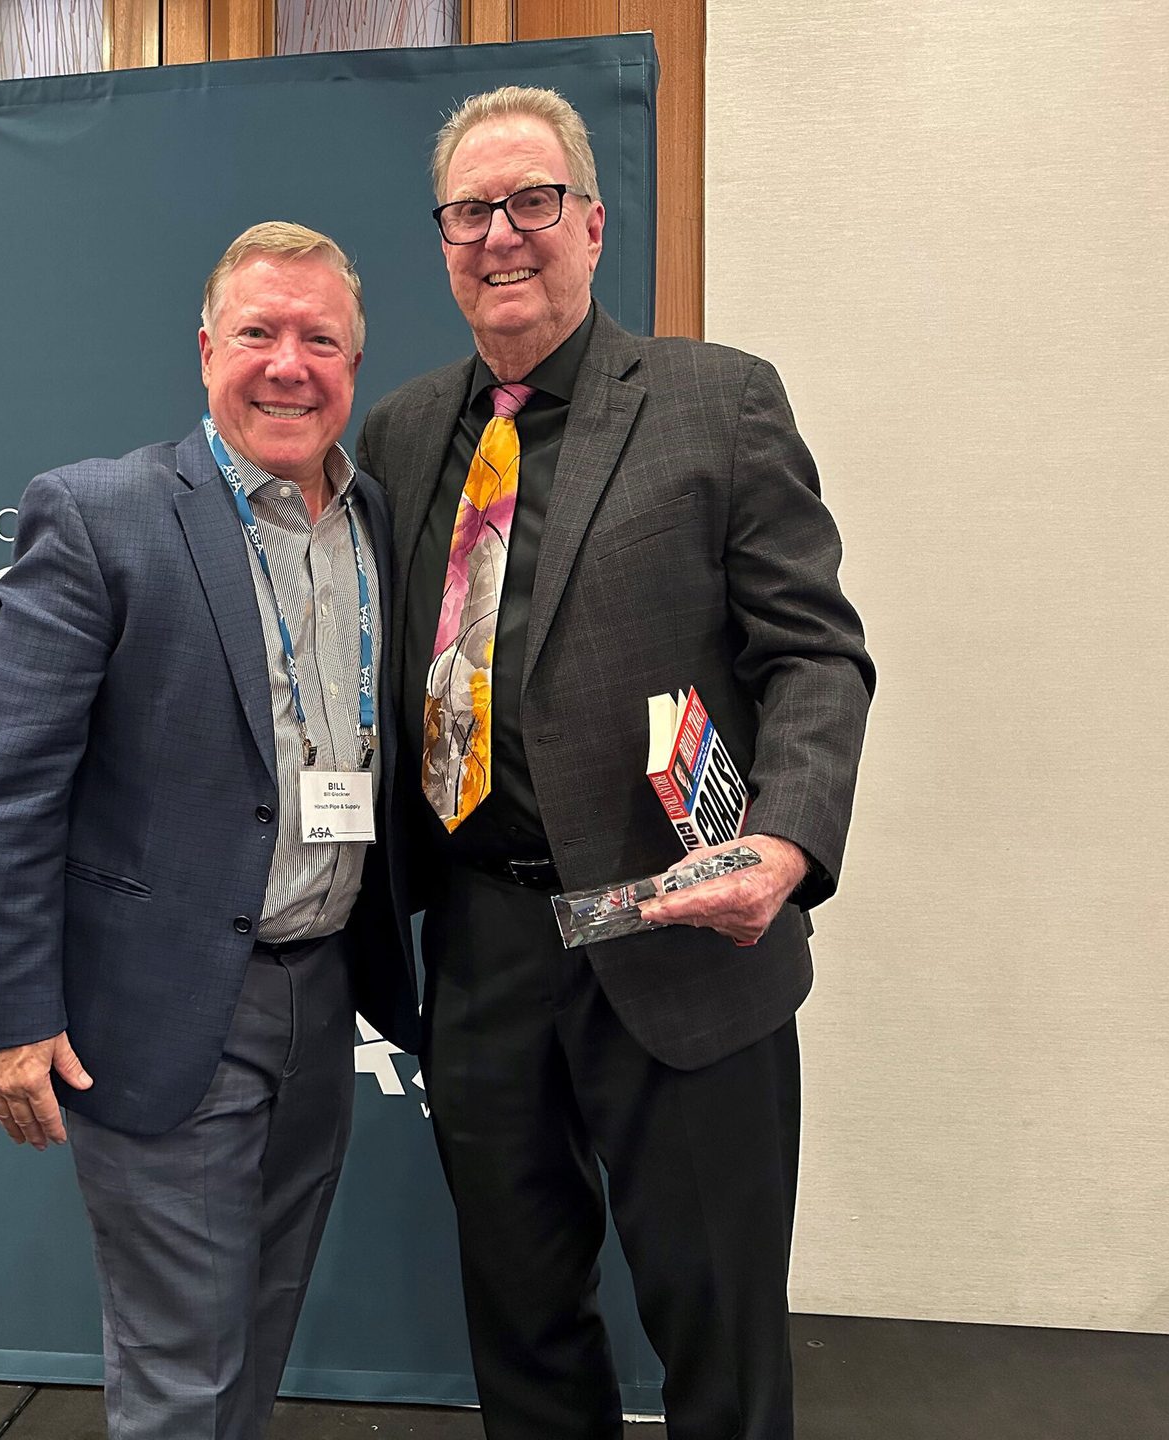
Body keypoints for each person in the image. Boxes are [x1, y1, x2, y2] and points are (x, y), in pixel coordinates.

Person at [356, 87, 874, 1440]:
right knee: (522, 1330)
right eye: (471, 210)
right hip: (483, 942)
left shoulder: (717, 402)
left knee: (718, 1334)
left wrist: (790, 838)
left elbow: (815, 655)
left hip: (679, 930)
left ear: (593, 223)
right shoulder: (407, 437)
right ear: (445, 240)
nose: (501, 234)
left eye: (532, 202)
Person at [0, 221, 419, 1440]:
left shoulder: (376, 526)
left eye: (320, 339)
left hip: (323, 997)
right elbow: (4, 785)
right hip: (166, 1012)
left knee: (252, 1350)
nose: (288, 365)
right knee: (179, 1377)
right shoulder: (102, 514)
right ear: (205, 349)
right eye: (259, 332)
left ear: (354, 367)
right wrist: (8, 1017)